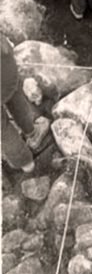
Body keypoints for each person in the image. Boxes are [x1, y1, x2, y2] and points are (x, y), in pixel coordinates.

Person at [1, 32, 50, 173]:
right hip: (6, 73)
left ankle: (25, 163)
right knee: (16, 100)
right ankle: (32, 133)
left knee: (3, 129)